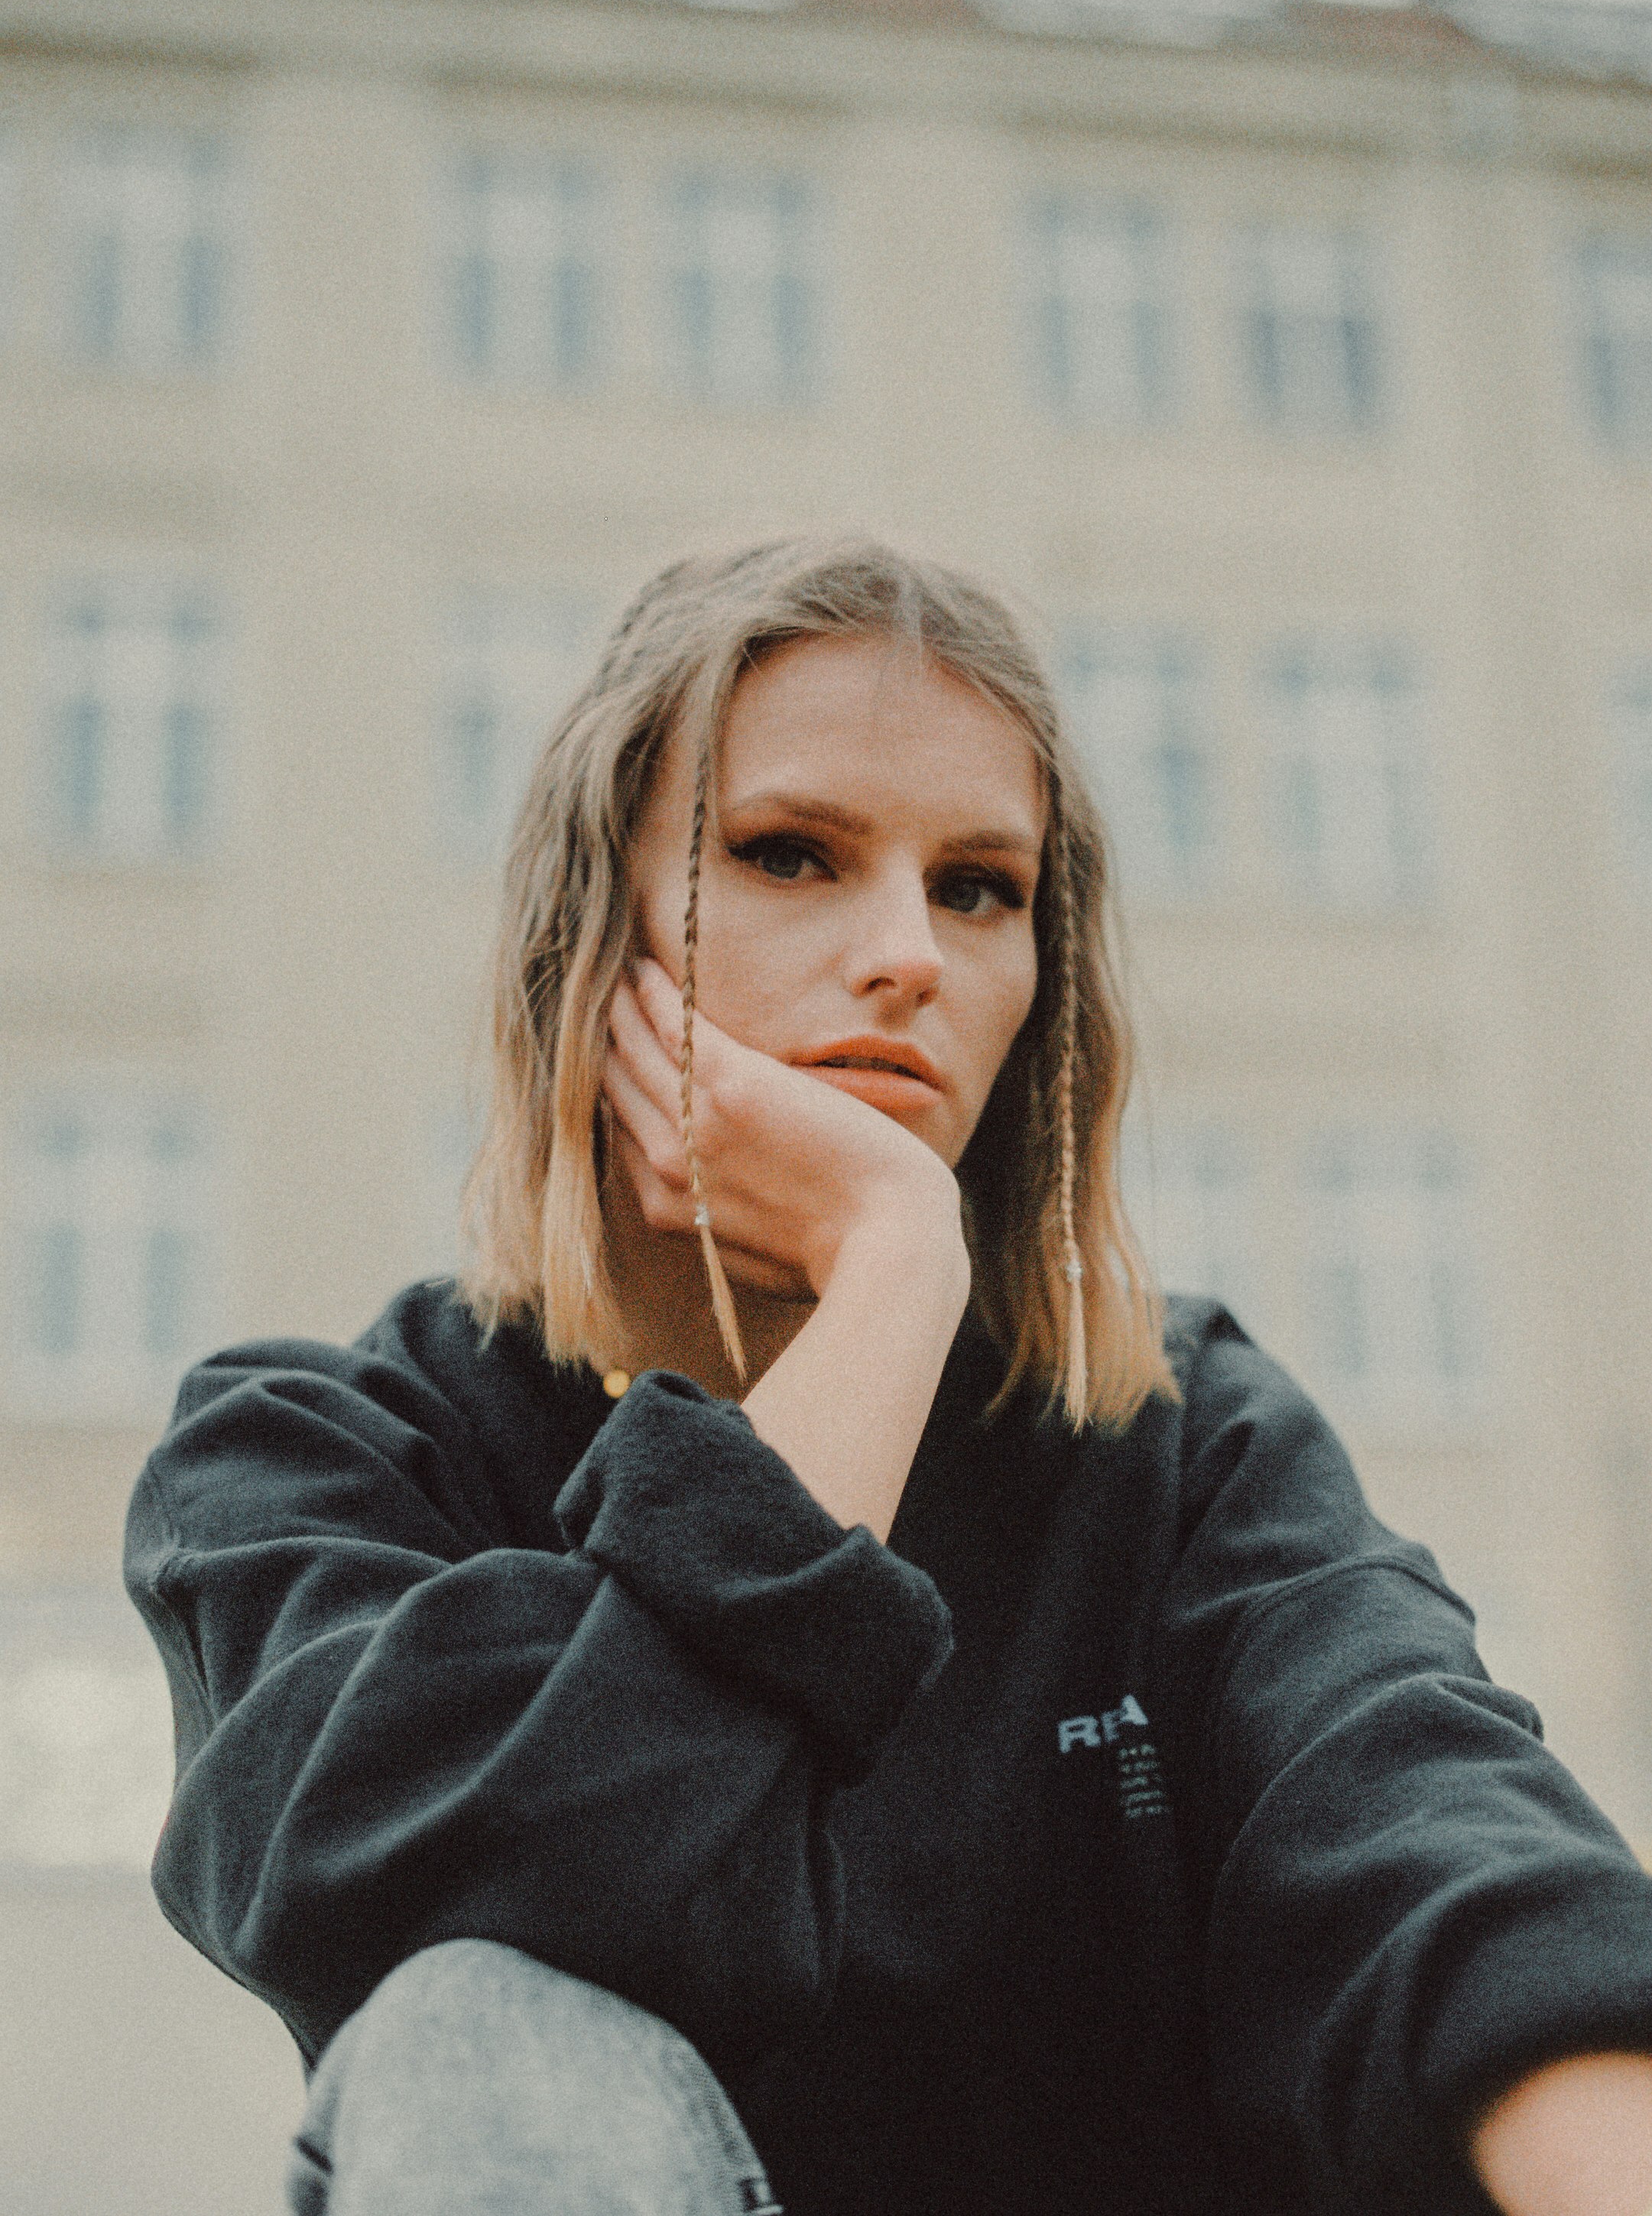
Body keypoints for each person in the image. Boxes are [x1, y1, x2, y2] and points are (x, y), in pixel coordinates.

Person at [125, 537, 1652, 2216]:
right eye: (789, 854)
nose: (910, 951)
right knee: (486, 2020)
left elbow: (1431, 1838)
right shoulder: (315, 1458)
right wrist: (891, 1272)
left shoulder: (1174, 1433)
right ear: (594, 929)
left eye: (980, 888)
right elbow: (509, 1906)